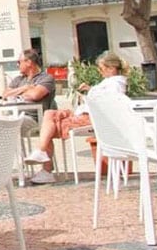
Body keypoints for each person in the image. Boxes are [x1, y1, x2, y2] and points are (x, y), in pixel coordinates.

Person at [24, 52, 128, 184]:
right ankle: (42, 156)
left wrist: (90, 95)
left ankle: (44, 163)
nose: (99, 71)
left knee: (48, 124)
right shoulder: (111, 83)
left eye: (101, 69)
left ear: (111, 68)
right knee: (49, 116)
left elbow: (109, 101)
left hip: (91, 118)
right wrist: (90, 90)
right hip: (86, 115)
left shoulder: (115, 84)